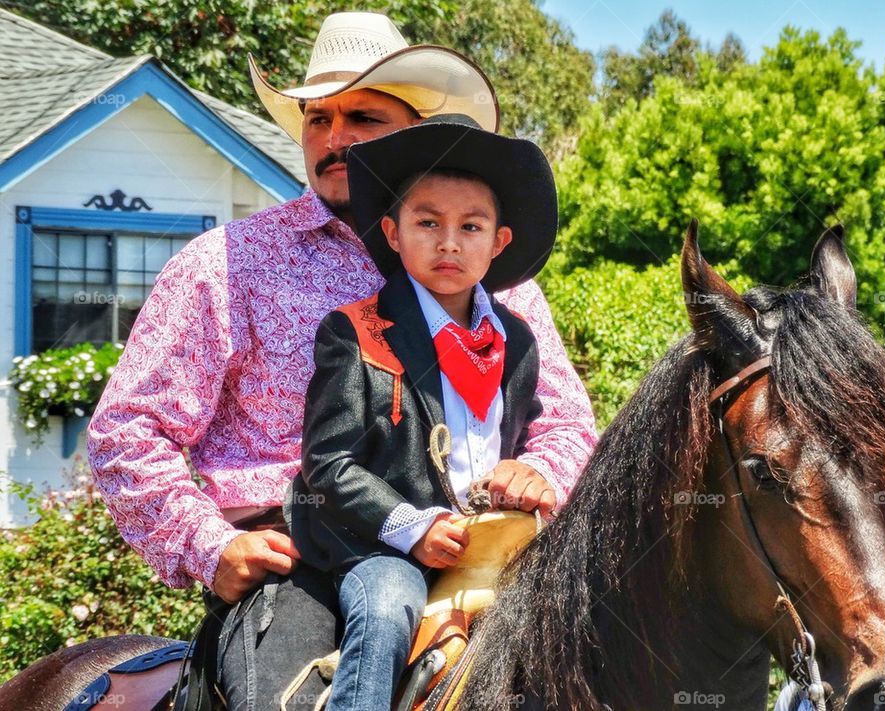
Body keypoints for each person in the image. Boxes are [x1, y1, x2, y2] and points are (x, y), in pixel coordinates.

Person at [87, 10, 597, 709]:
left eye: (363, 115)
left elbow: (566, 420)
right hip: (302, 564)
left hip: (485, 555)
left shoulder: (493, 278)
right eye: (317, 118)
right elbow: (126, 431)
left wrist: (537, 471)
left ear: (411, 133)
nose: (334, 139)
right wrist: (208, 545)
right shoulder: (226, 265)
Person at [289, 112, 557, 709]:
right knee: (387, 607)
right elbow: (327, 463)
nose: (449, 242)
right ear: (392, 231)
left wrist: (531, 477)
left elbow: (524, 440)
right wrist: (413, 528)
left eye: (471, 226)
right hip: (378, 545)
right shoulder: (354, 332)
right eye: (427, 222)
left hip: (489, 541)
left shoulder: (517, 342)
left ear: (499, 242)